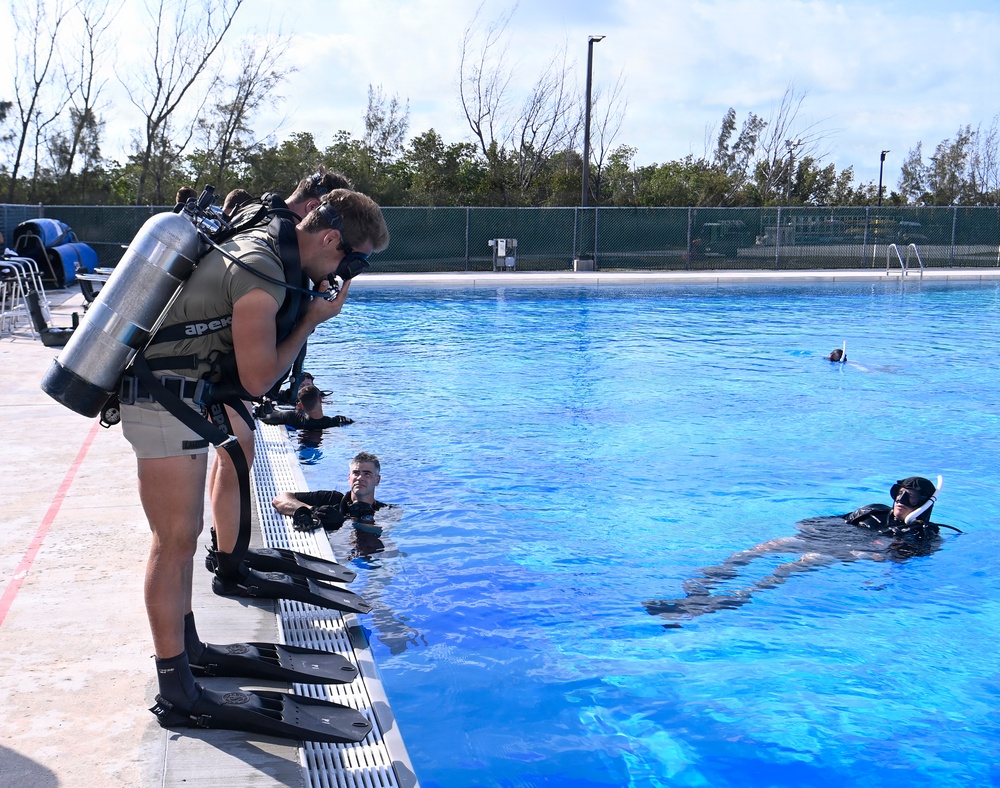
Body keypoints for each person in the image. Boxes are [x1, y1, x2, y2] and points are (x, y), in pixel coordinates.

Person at [117, 188, 389, 735]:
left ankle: (188, 650)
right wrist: (311, 320)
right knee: (173, 541)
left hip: (179, 396)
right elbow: (259, 378)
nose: (348, 274)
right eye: (352, 262)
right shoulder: (262, 266)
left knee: (182, 538)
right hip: (161, 398)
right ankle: (177, 689)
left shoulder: (267, 251)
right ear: (331, 239)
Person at [644, 476, 959, 622]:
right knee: (768, 546)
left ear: (925, 506)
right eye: (899, 494)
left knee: (795, 564)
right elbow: (825, 521)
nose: (900, 502)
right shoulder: (873, 510)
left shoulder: (927, 533)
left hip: (845, 553)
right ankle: (703, 586)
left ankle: (737, 598)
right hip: (833, 539)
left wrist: (904, 538)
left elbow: (901, 561)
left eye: (909, 500)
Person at [273, 451, 392, 533]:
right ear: (349, 477)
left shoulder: (386, 511)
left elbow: (383, 531)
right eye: (356, 473)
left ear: (377, 480)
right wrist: (312, 510)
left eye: (367, 474)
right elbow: (281, 499)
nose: (360, 478)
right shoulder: (331, 498)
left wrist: (346, 522)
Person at [259, 383, 353, 429]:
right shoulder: (335, 421)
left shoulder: (292, 418)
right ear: (320, 400)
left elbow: (265, 416)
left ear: (300, 405)